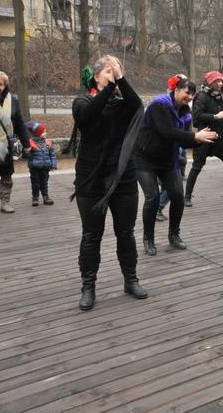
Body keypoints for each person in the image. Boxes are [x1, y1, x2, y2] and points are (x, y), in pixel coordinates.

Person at [72, 55, 148, 311]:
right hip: (91, 179)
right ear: (96, 77)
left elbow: (138, 106)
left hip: (123, 177)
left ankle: (131, 280)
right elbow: (88, 117)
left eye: (117, 70)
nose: (114, 74)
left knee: (126, 233)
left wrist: (120, 79)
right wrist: (110, 87)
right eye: (108, 71)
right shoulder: (82, 102)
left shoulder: (125, 104)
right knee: (91, 235)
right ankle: (88, 286)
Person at [134, 75, 217, 256]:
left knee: (178, 195)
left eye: (192, 95)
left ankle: (174, 235)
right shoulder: (160, 105)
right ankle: (148, 238)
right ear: (177, 90)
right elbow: (167, 132)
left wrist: (200, 140)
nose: (189, 97)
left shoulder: (185, 112)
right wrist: (194, 136)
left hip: (167, 159)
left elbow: (183, 140)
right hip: (144, 158)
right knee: (152, 197)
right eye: (187, 92)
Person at [184, 71, 223, 206]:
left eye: (221, 81)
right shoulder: (201, 96)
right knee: (197, 167)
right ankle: (187, 196)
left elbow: (222, 116)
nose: (220, 83)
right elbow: (197, 117)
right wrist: (216, 116)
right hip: (204, 136)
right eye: (217, 81)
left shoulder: (219, 97)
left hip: (219, 137)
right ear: (209, 82)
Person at [0, 70, 30, 213]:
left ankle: (5, 202)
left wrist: (26, 143)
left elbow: (19, 124)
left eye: (0, 84)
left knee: (6, 176)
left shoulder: (13, 101)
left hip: (7, 145)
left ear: (5, 85)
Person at [25, 121, 56, 206]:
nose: (46, 133)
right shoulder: (31, 142)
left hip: (45, 167)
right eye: (43, 132)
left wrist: (53, 164)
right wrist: (27, 151)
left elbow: (52, 155)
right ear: (38, 133)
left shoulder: (48, 143)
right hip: (35, 167)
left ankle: (46, 197)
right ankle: (35, 198)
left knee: (44, 183)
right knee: (35, 183)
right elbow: (28, 156)